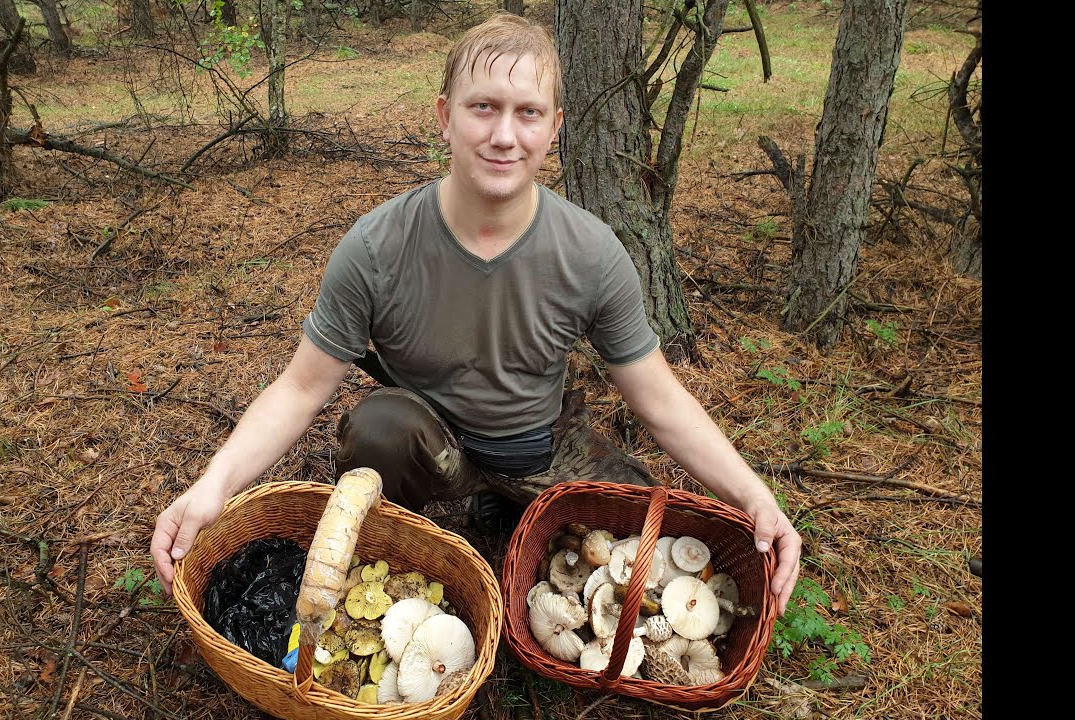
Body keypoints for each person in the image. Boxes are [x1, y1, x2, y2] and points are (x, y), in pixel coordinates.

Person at [152, 12, 801, 617]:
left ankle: (511, 507)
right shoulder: (379, 247)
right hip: (436, 449)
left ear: (555, 127)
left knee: (649, 556)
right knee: (378, 427)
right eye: (483, 107)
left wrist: (753, 496)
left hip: (542, 449)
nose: (503, 134)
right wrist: (211, 487)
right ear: (445, 115)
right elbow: (299, 390)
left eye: (527, 113)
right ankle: (400, 549)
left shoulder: (591, 252)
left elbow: (660, 400)